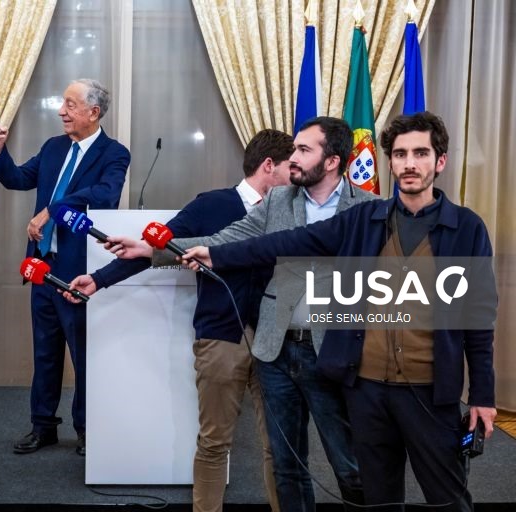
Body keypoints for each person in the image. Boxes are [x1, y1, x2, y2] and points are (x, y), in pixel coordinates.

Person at [182, 111, 497, 511]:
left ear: (440, 161)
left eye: (421, 153)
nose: (410, 163)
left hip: (431, 391)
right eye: (400, 154)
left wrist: (484, 395)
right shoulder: (364, 220)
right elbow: (284, 243)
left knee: (447, 499)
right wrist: (212, 253)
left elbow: (479, 318)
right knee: (377, 498)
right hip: (367, 388)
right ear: (390, 162)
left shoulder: (466, 227)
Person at [108, 117, 369, 511]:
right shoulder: (279, 201)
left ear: (332, 161)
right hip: (277, 350)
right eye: (293, 150)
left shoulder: (369, 209)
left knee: (349, 462)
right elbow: (224, 240)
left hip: (334, 351)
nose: (292, 158)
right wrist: (152, 250)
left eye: (303, 150)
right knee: (288, 461)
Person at [65, 129, 294, 512]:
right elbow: (154, 250)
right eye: (291, 166)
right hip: (221, 339)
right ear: (269, 166)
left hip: (277, 341)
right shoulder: (210, 206)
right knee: (214, 442)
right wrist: (99, 280)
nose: (297, 174)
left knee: (281, 444)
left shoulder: (291, 210)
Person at [0, 79, 130, 456]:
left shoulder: (114, 154)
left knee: (83, 354)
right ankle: (43, 426)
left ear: (93, 113)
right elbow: (18, 178)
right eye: (62, 103)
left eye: (70, 104)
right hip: (42, 267)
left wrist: (54, 208)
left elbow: (105, 196)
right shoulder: (53, 148)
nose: (61, 111)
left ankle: (87, 429)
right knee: (45, 352)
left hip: (80, 271)